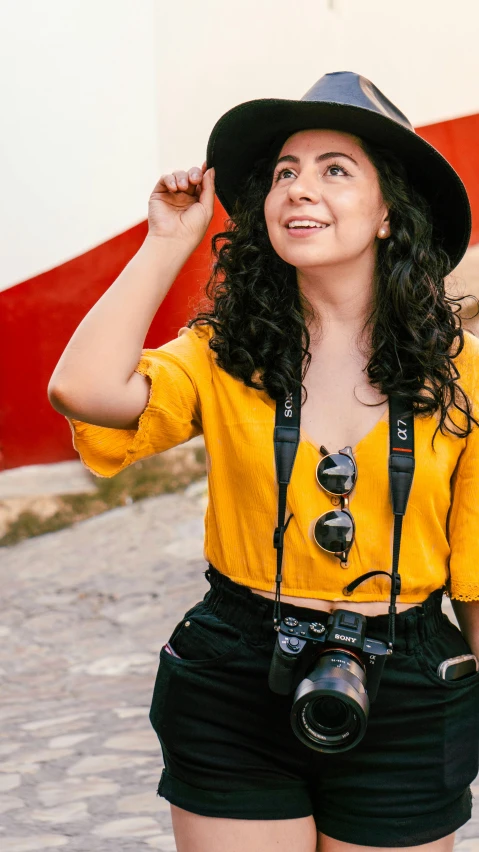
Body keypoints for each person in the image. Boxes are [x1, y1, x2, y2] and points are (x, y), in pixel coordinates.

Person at [48, 72, 479, 852]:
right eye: (284, 172)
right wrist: (166, 241)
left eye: (333, 169)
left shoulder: (464, 375)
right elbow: (82, 390)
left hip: (409, 684)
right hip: (236, 670)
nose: (297, 189)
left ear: (389, 214)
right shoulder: (224, 353)